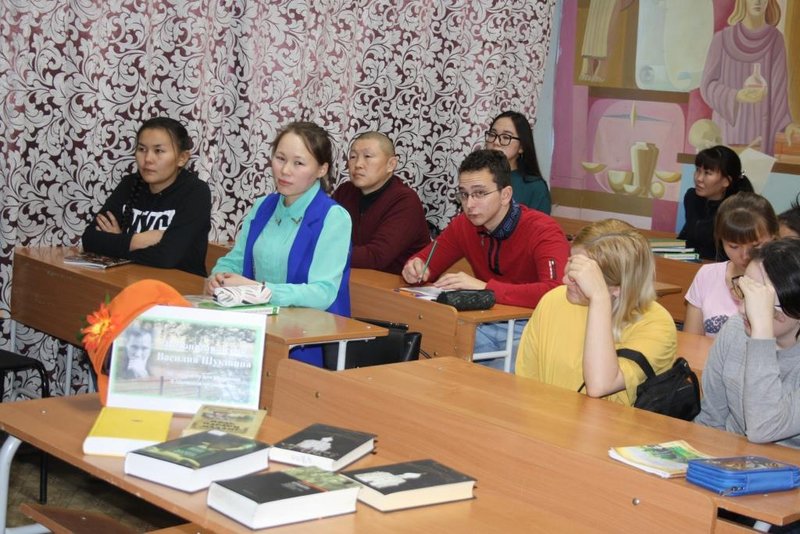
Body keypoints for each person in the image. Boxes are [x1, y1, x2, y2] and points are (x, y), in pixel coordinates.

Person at [402, 149, 569, 371]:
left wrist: (485, 289)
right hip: (484, 321)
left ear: (505, 195)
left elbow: (556, 291)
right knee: (428, 343)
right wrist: (415, 268)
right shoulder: (464, 225)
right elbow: (425, 261)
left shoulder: (543, 230)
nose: (469, 204)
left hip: (533, 327)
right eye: (463, 194)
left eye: (479, 193)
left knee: (476, 372)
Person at [208, 121, 351, 367]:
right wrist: (219, 276)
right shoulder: (263, 205)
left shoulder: (333, 217)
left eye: (298, 163)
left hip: (309, 340)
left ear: (321, 169)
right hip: (259, 328)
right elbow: (236, 259)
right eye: (280, 158)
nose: (285, 170)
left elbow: (323, 292)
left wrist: (260, 291)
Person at [515, 219, 677, 406]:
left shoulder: (657, 325)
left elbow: (599, 385)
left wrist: (599, 299)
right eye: (571, 263)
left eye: (581, 276)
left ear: (618, 288)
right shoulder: (554, 300)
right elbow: (526, 382)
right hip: (546, 417)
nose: (566, 280)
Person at [695, 238, 800, 449]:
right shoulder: (735, 330)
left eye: (759, 302)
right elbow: (711, 419)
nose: (742, 309)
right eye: (743, 291)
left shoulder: (755, 330)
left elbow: (763, 427)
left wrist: (762, 334)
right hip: (732, 454)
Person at [81, 117, 211, 276]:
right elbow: (90, 239)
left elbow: (167, 257)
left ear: (182, 158)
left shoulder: (195, 192)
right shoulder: (129, 184)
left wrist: (117, 242)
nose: (148, 159)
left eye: (158, 151)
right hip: (130, 279)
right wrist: (137, 240)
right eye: (142, 149)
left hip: (179, 285)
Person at [700, 0, 799, 156]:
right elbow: (707, 86)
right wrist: (736, 95)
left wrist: (787, 126)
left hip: (761, 136)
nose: (758, 1)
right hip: (726, 133)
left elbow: (779, 94)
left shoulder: (776, 40)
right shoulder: (721, 39)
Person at [332, 132, 429, 274]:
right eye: (353, 157)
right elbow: (322, 233)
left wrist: (323, 252)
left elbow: (377, 256)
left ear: (391, 164)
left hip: (393, 283)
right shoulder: (345, 191)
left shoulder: (405, 200)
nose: (358, 164)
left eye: (367, 156)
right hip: (351, 276)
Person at [684, 192, 778, 336]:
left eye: (756, 245)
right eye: (734, 246)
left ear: (773, 236)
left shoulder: (786, 280)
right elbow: (691, 340)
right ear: (720, 240)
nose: (745, 255)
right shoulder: (707, 275)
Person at [678, 145, 754, 260]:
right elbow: (688, 235)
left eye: (707, 173)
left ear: (726, 181)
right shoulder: (692, 198)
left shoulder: (736, 211)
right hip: (689, 262)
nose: (699, 178)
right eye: (698, 170)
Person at [485, 111, 551, 214]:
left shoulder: (535, 187)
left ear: (521, 147)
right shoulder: (476, 176)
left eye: (506, 137)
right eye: (492, 134)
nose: (496, 142)